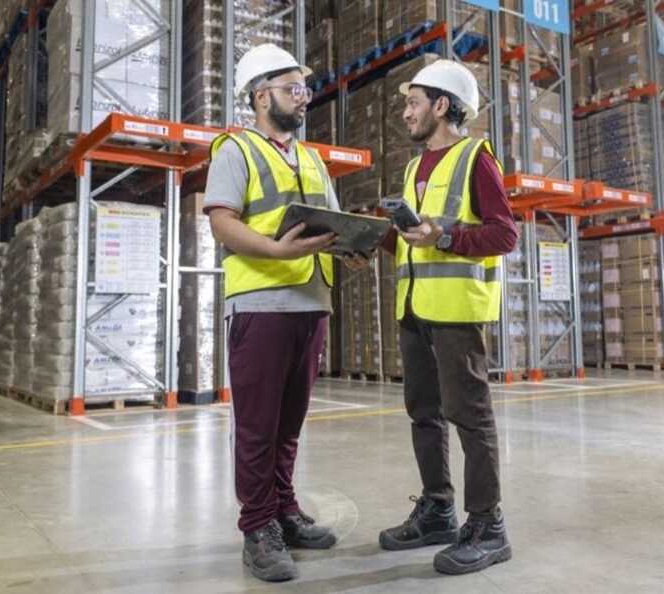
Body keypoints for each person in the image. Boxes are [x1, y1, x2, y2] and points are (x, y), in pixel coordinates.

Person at [204, 43, 365, 582]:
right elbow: (221, 222)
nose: (303, 98)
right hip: (262, 303)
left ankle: (284, 510)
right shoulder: (236, 151)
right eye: (293, 88)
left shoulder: (313, 159)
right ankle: (257, 527)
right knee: (258, 425)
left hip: (311, 303)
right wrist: (275, 251)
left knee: (290, 422)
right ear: (260, 96)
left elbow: (333, 223)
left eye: (305, 89)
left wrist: (353, 245)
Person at [377, 59, 519, 575]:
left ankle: (488, 525)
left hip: (458, 310)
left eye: (413, 102)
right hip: (415, 307)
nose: (406, 112)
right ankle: (438, 509)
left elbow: (505, 234)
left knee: (469, 415)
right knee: (424, 412)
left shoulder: (475, 158)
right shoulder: (415, 168)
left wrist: (445, 237)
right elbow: (412, 239)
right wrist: (367, 240)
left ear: (441, 105)